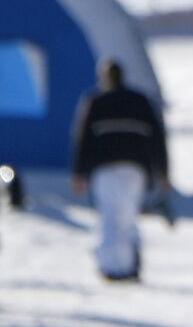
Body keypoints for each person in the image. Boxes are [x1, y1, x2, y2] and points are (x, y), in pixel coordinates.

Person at [71, 58, 169, 281]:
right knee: (126, 216)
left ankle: (111, 267)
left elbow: (82, 138)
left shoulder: (95, 101)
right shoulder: (139, 100)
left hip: (104, 169)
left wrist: (78, 172)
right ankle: (128, 265)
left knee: (109, 216)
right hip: (134, 169)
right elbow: (157, 138)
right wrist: (162, 171)